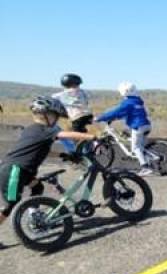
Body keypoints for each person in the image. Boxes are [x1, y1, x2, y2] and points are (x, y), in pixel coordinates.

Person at [1, 97, 95, 234]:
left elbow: (43, 150)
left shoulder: (32, 130)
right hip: (14, 171)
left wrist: (63, 155)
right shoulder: (43, 129)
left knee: (37, 187)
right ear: (46, 114)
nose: (56, 119)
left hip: (21, 170)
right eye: (55, 116)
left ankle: (34, 216)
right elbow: (64, 134)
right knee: (10, 206)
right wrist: (92, 137)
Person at [95, 82, 154, 176]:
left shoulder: (128, 103)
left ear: (124, 91)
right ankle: (150, 160)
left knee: (135, 147)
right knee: (140, 146)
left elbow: (116, 112)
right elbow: (124, 114)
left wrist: (101, 118)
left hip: (138, 126)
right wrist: (116, 117)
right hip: (146, 125)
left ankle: (146, 167)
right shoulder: (137, 101)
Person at [53, 73, 94, 154]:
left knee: (76, 135)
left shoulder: (63, 94)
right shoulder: (82, 92)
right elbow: (86, 101)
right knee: (83, 132)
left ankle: (83, 152)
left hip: (77, 117)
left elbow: (53, 98)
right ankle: (88, 147)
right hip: (88, 115)